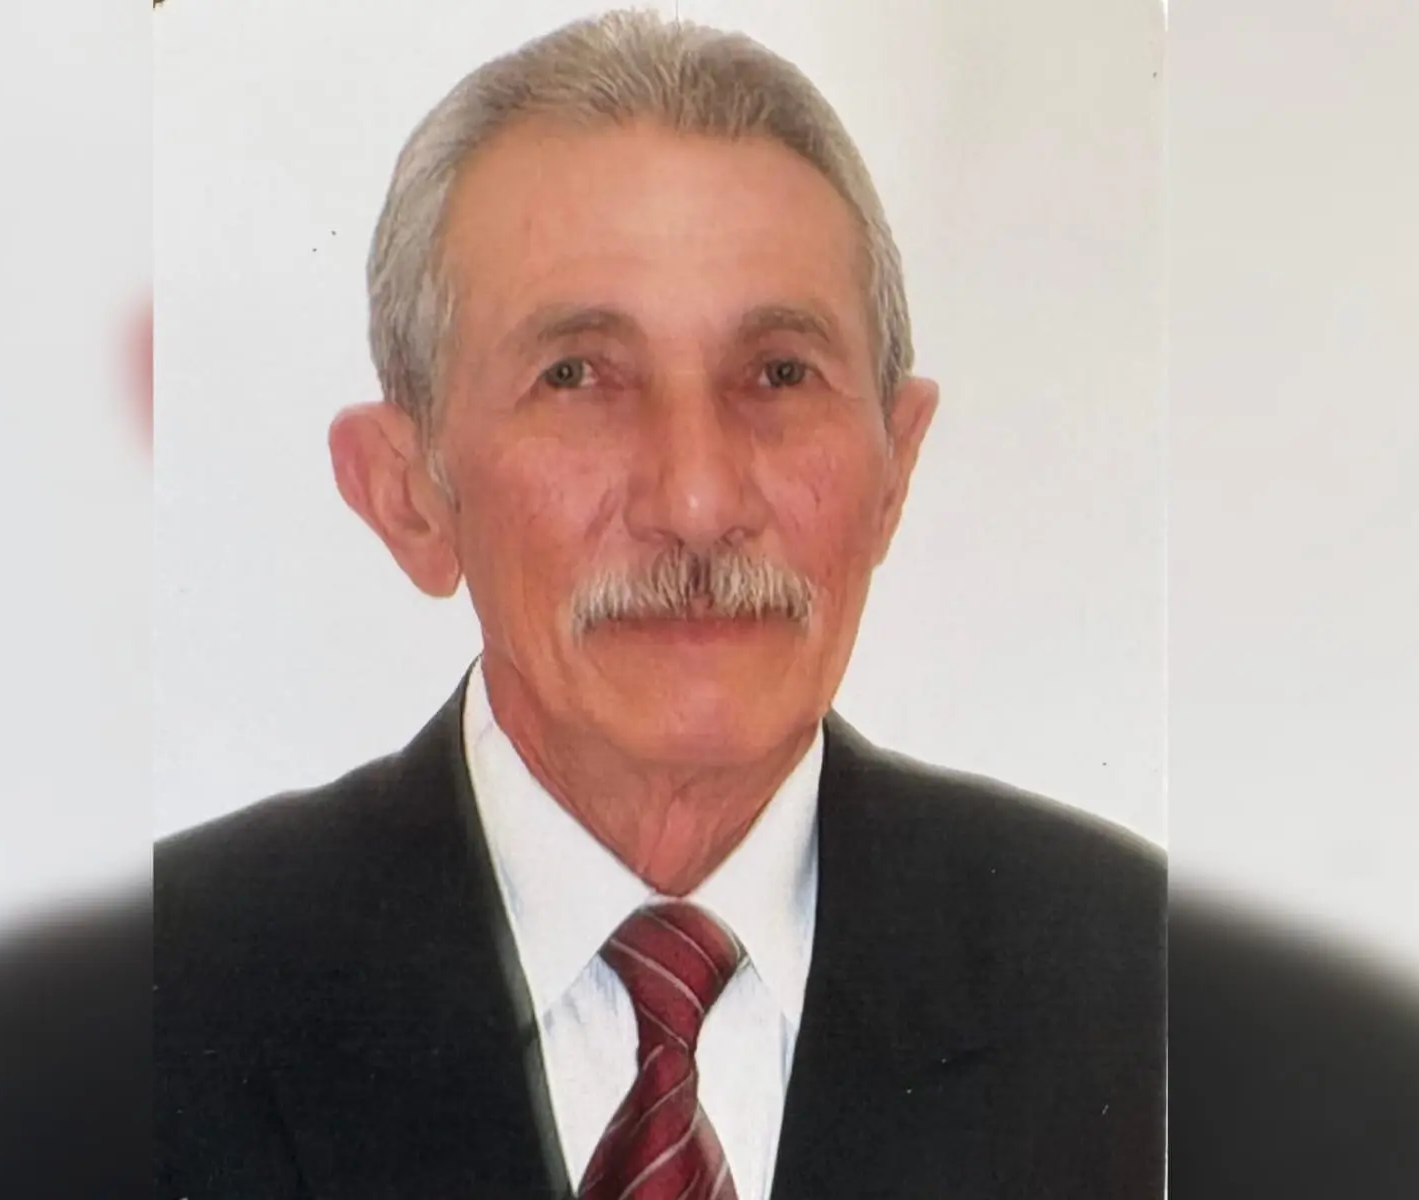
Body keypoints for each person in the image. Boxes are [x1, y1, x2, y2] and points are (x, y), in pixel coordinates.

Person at [154, 10, 1165, 1198]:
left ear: (895, 471)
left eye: (779, 373)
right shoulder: (152, 1003)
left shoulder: (1144, 990)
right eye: (578, 377)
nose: (696, 499)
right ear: (407, 494)